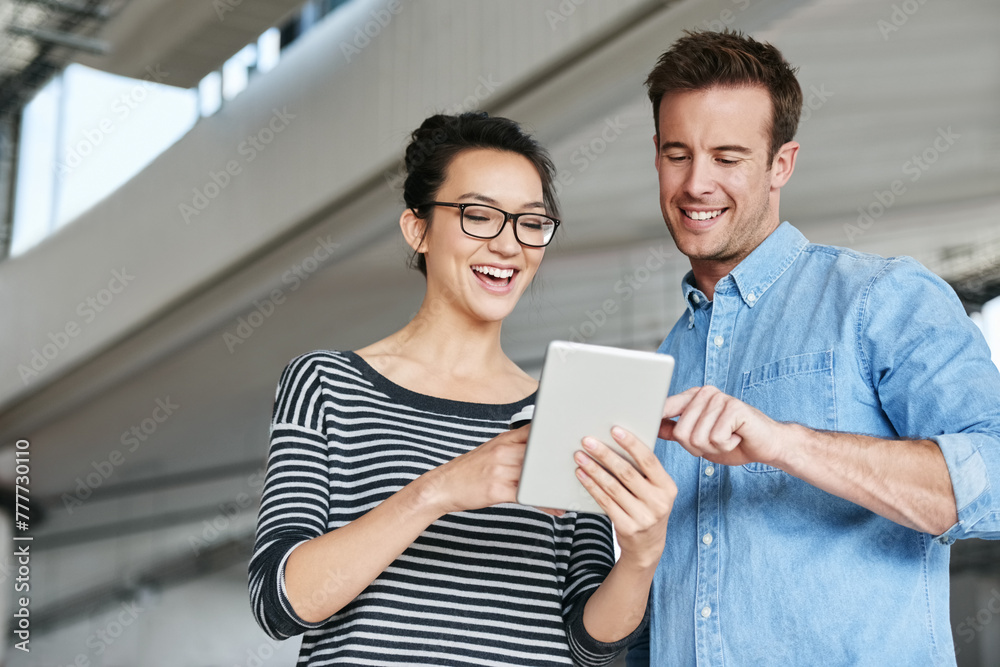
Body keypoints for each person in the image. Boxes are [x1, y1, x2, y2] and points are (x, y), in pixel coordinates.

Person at [248, 111, 677, 666]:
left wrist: (642, 555)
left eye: (530, 222)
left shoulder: (563, 410)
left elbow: (590, 645)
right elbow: (278, 603)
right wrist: (438, 491)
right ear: (417, 228)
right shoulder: (327, 384)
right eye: (479, 216)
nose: (508, 245)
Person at [626, 30, 1000, 666]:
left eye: (728, 156)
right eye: (677, 153)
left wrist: (786, 444)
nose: (697, 184)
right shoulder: (663, 363)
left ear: (781, 164)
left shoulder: (881, 298)